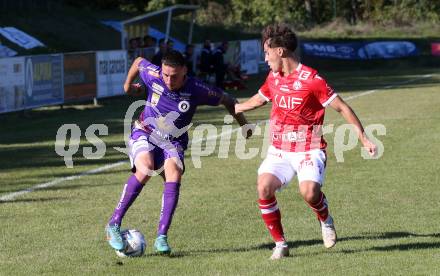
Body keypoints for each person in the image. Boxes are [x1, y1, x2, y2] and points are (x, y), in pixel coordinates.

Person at [235, 23, 377, 260]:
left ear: (280, 51)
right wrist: (237, 106)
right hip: (280, 149)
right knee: (263, 187)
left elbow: (341, 107)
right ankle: (280, 243)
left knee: (310, 192)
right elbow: (260, 99)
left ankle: (325, 219)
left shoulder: (312, 79)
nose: (265, 57)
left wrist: (363, 138)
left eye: (267, 52)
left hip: (309, 148)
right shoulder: (273, 77)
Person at [106, 50, 250, 255]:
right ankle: (113, 224)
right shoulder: (153, 74)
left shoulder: (197, 89)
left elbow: (228, 99)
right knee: (145, 168)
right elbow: (138, 62)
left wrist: (244, 125)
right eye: (165, 75)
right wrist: (128, 86)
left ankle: (161, 237)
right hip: (144, 131)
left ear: (185, 71)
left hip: (173, 141)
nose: (168, 80)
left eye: (174, 76)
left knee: (174, 173)